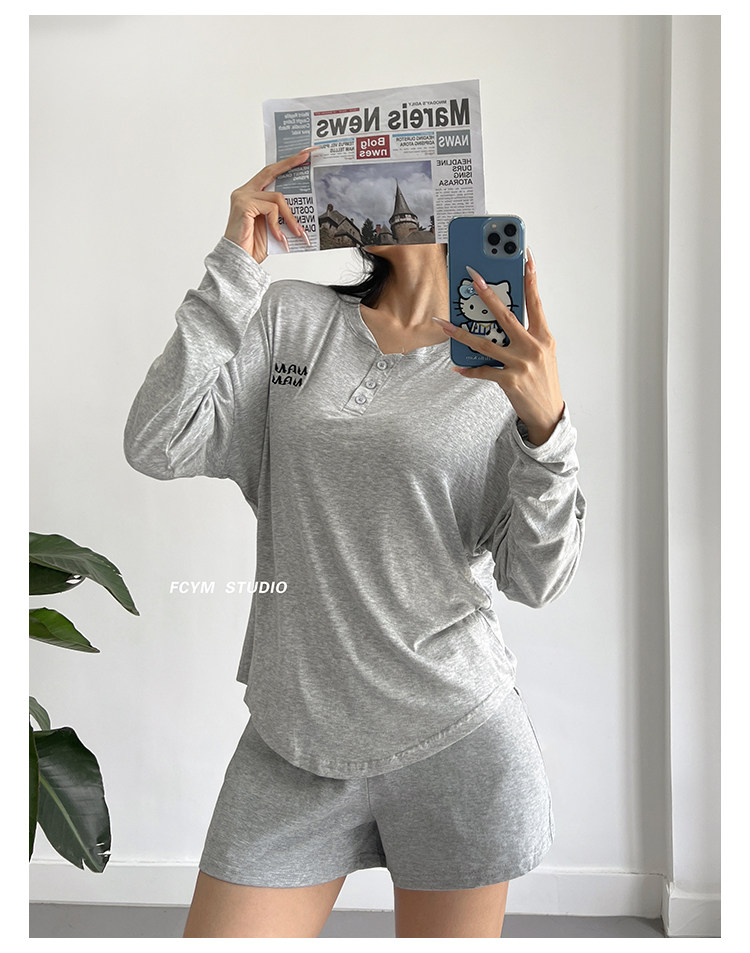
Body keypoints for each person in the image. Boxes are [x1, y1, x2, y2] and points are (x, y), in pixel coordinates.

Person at [123, 147, 587, 938]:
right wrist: (234, 263)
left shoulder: (504, 368)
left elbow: (536, 578)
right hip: (292, 737)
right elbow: (157, 441)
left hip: (455, 736)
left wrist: (547, 429)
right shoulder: (292, 318)